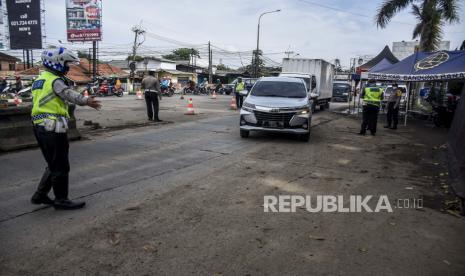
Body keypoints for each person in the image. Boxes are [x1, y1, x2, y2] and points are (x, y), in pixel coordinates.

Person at [30, 47, 101, 210]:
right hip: (51, 127)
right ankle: (61, 200)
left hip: (40, 126)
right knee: (60, 165)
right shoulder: (55, 81)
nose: (68, 67)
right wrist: (85, 101)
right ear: (57, 63)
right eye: (66, 64)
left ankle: (40, 195)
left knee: (53, 163)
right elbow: (67, 93)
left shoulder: (40, 79)